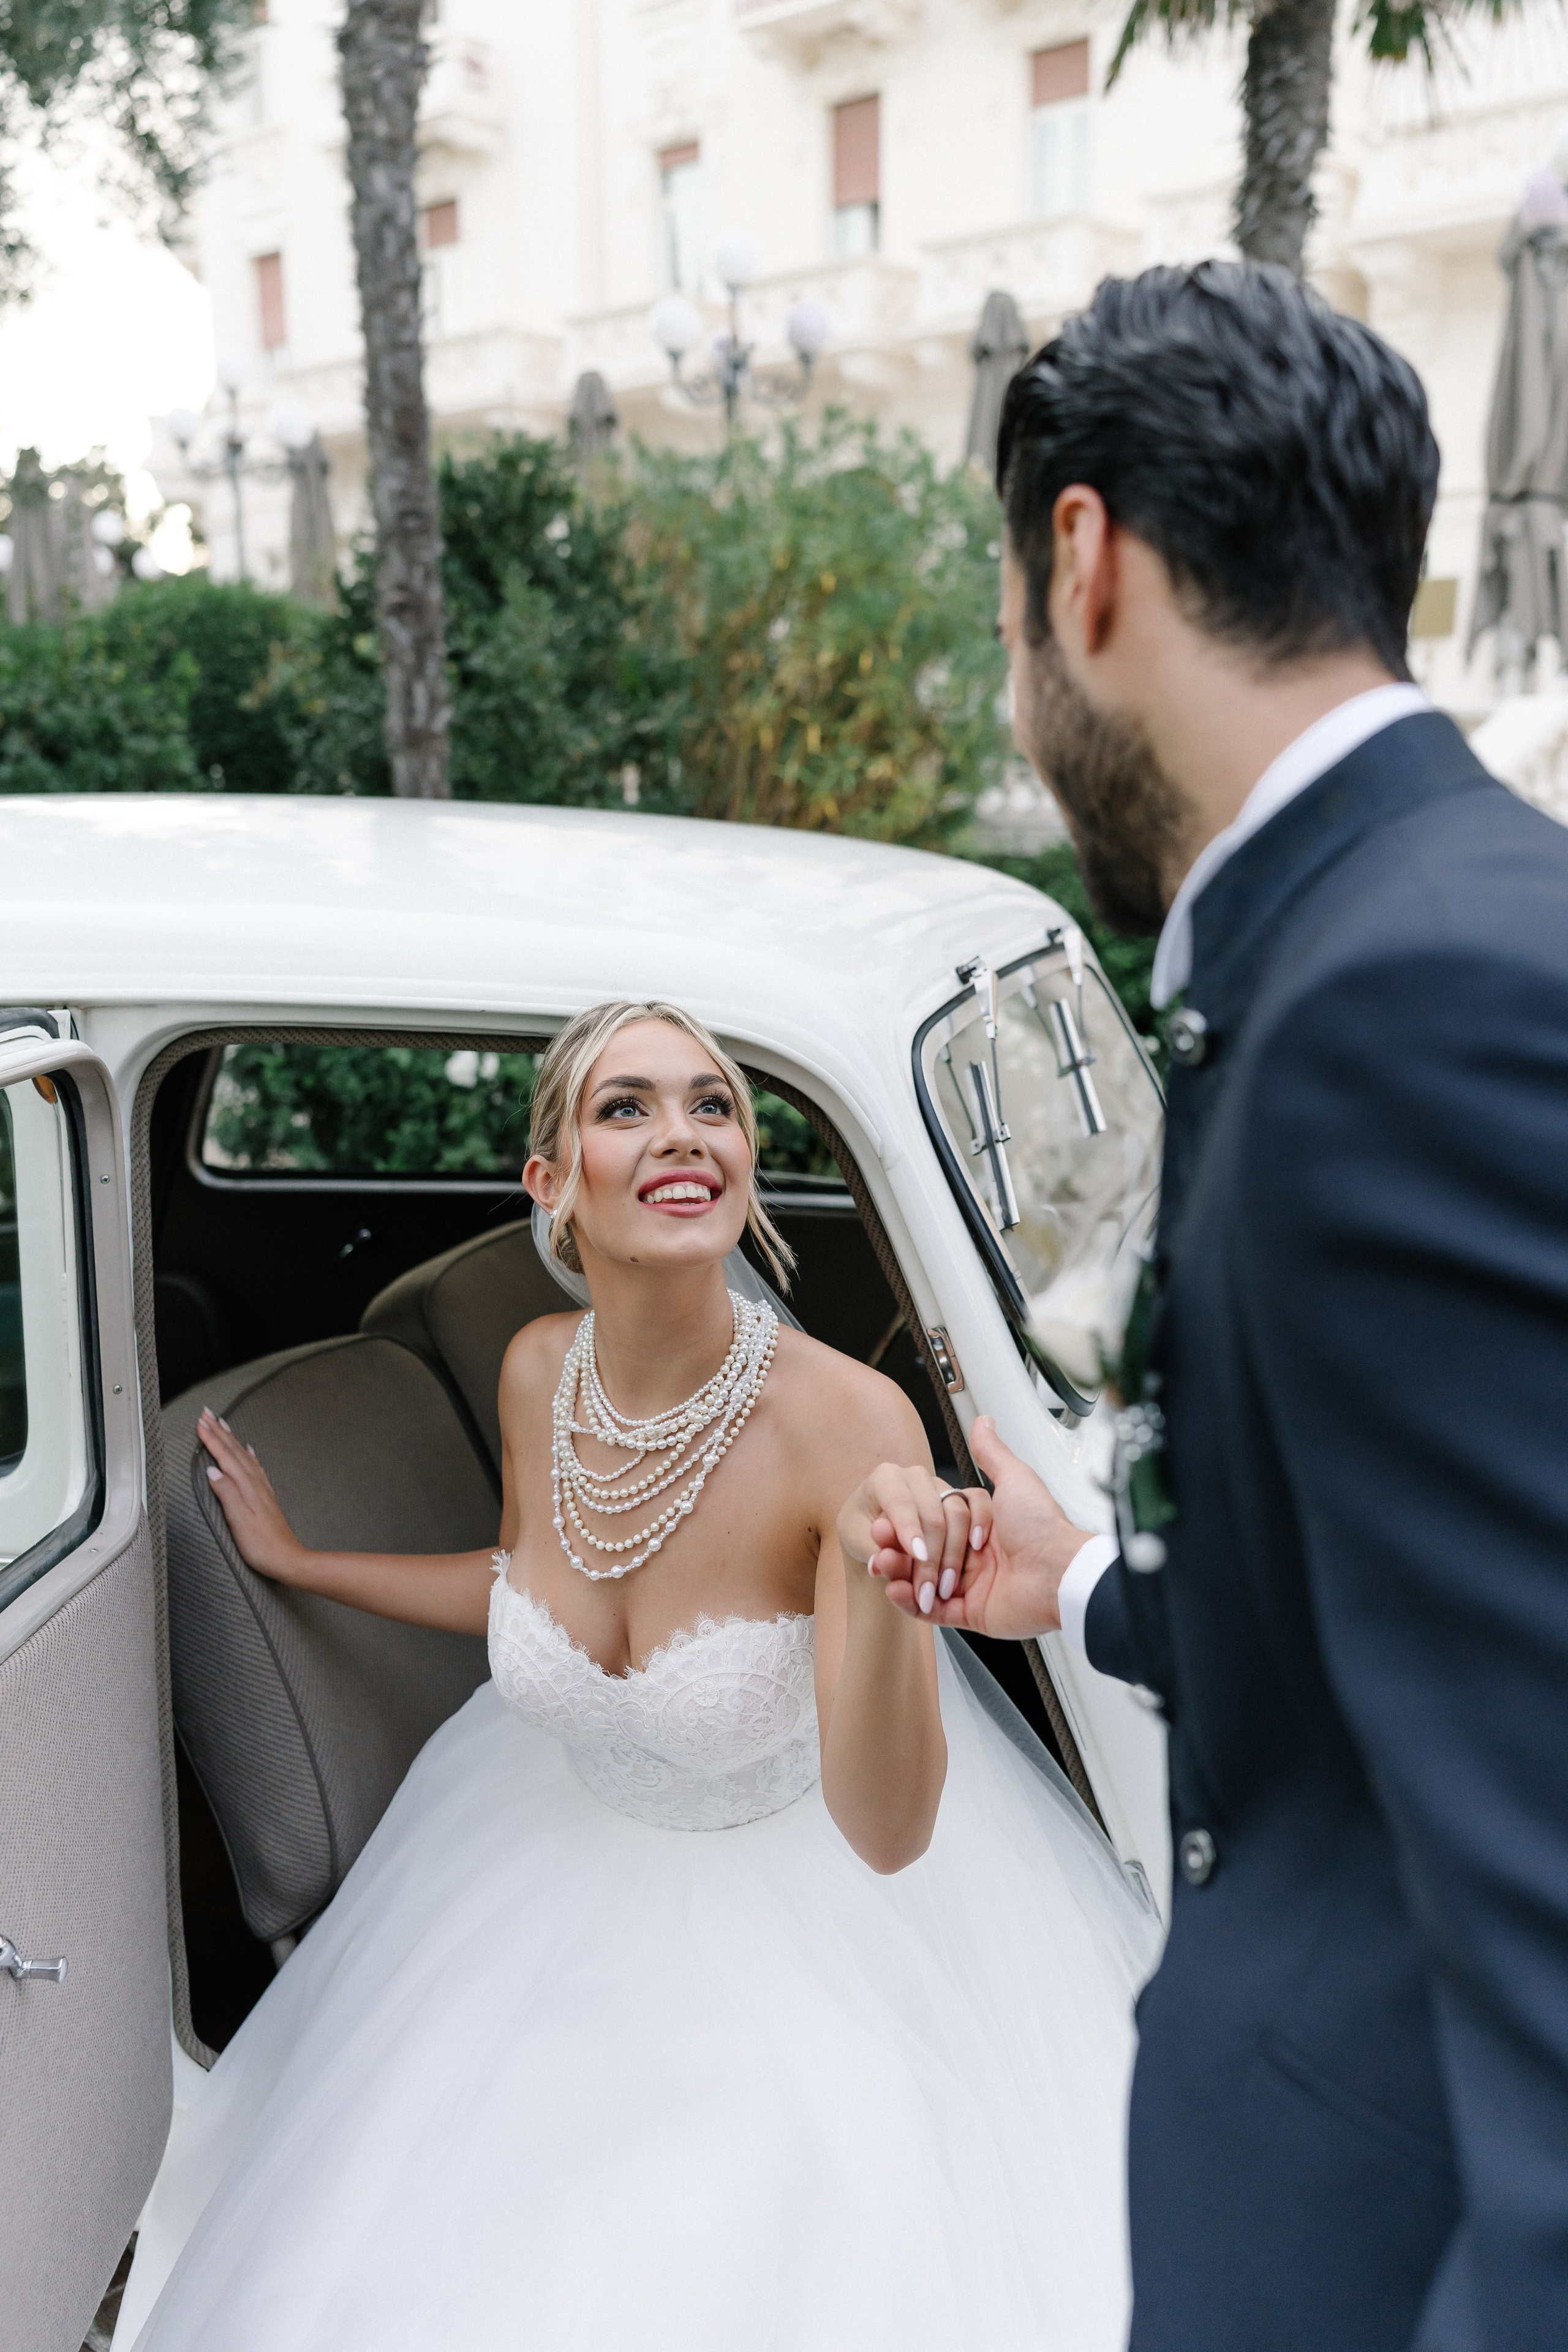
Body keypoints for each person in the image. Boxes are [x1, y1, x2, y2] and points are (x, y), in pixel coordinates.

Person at [852, 261, 1568, 2351]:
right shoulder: (1403, 930)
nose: (1019, 682)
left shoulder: (1408, 1007)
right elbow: (1422, 1604)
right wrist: (1079, 1588)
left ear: (1081, 563)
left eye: (1005, 616)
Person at [122, 998, 1158, 2352]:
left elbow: (890, 1830)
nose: (682, 1133)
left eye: (712, 1104)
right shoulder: (536, 1368)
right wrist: (306, 1563)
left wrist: (874, 1579)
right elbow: (527, 1591)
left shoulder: (852, 1422)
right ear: (552, 1181)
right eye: (627, 1107)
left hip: (794, 1930)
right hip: (528, 1872)